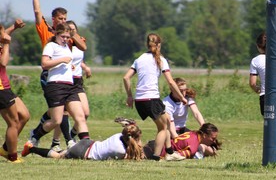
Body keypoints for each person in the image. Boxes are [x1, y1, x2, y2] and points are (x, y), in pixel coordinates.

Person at [31, 0, 87, 150]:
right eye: (61, 19)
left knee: (63, 112)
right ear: (54, 19)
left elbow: (83, 47)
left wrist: (72, 32)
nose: (63, 21)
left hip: (67, 78)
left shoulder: (67, 37)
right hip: (50, 75)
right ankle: (68, 141)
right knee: (61, 112)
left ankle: (49, 133)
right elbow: (37, 12)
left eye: (65, 19)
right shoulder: (46, 31)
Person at [22, 23, 90, 154]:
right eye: (62, 36)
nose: (65, 39)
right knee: (56, 120)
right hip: (56, 86)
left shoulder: (67, 47)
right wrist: (62, 60)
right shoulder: (51, 46)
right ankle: (35, 136)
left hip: (70, 87)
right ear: (56, 34)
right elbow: (44, 64)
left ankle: (86, 147)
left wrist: (69, 67)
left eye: (67, 37)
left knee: (80, 116)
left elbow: (81, 49)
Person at [123, 32, 187, 161]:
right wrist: (181, 97)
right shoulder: (161, 60)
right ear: (158, 45)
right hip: (151, 99)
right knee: (163, 127)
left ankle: (170, 152)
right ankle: (156, 157)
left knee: (167, 119)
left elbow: (126, 77)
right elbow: (170, 82)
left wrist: (130, 96)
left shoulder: (139, 59)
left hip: (140, 100)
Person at [22, 124, 143, 161]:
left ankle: (32, 148)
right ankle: (31, 149)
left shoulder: (118, 136)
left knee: (64, 152)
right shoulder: (120, 150)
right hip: (84, 152)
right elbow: (129, 157)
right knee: (59, 156)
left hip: (87, 143)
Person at [0, 23, 30, 163]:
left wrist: (14, 27)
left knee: (24, 115)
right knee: (13, 122)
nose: (4, 34)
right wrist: (6, 44)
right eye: (2, 32)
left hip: (6, 87)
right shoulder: (2, 45)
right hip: (1, 90)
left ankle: (6, 147)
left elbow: (5, 33)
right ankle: (12, 156)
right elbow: (4, 62)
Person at [143, 123, 221, 160]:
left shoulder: (192, 133)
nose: (213, 141)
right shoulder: (193, 147)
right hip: (155, 151)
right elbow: (172, 156)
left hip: (154, 143)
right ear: (204, 135)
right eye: (213, 138)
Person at [249, 32, 266, 116]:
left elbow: (252, 84)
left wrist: (257, 89)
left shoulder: (255, 60)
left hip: (265, 96)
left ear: (258, 46)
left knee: (269, 126)